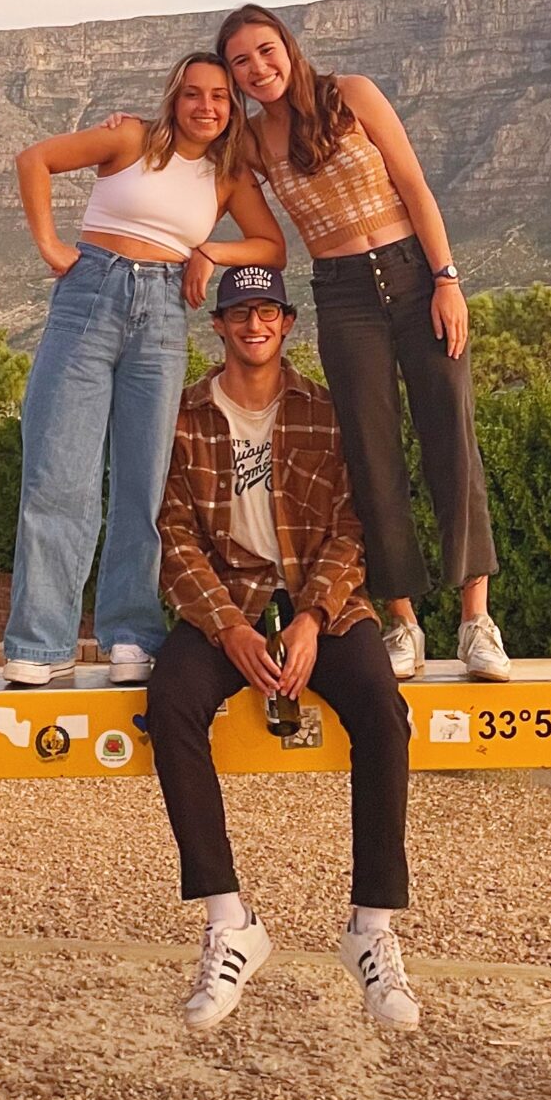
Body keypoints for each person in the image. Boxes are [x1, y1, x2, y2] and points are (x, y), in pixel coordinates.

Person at [149, 266, 418, 1032]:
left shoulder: (324, 415)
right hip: (228, 602)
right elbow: (173, 536)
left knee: (378, 705)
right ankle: (230, 922)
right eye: (239, 313)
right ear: (221, 327)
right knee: (169, 702)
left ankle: (371, 931)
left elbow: (351, 526)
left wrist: (310, 619)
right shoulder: (185, 417)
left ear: (287, 323)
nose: (253, 325)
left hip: (316, 605)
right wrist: (228, 627)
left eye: (266, 312)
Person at [215, 4, 508, 684]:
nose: (258, 69)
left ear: (286, 48)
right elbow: (196, 165)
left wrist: (446, 279)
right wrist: (202, 247)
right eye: (241, 61)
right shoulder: (253, 143)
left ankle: (475, 621)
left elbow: (413, 186)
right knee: (370, 456)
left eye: (265, 51)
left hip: (413, 275)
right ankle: (403, 621)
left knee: (450, 440)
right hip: (342, 295)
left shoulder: (351, 94)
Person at [4, 53, 285, 688]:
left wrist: (210, 248)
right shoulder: (131, 138)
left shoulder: (227, 174)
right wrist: (51, 245)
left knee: (144, 483)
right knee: (57, 474)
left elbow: (273, 246)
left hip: (162, 312)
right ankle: (41, 642)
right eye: (193, 94)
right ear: (174, 98)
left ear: (231, 106)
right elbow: (35, 160)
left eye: (219, 96)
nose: (206, 106)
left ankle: (129, 634)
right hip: (89, 295)